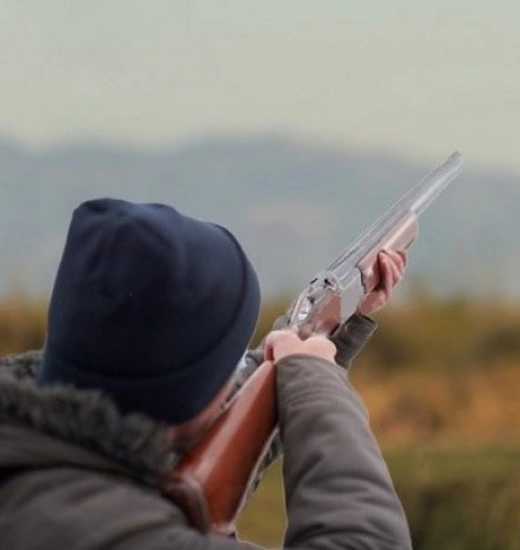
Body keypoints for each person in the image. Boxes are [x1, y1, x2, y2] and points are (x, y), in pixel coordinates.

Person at [0, 197, 413, 549]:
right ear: (186, 396)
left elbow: (224, 418)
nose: (236, 375)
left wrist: (332, 328)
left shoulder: (42, 472)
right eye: (228, 362)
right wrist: (314, 382)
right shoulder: (122, 533)